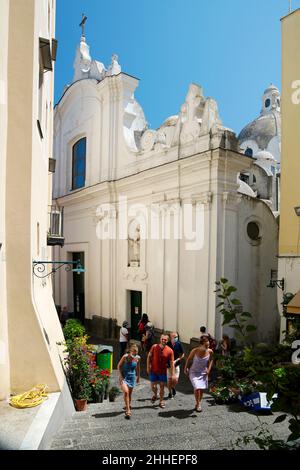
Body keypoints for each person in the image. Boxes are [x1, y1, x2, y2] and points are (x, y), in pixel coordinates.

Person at [184, 336, 214, 412]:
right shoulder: (195, 350)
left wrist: (209, 369)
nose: (208, 346)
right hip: (193, 372)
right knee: (197, 387)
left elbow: (211, 360)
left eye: (208, 345)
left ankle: (198, 403)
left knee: (201, 389)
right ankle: (198, 403)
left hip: (203, 372)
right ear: (201, 344)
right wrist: (185, 368)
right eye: (206, 345)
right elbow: (189, 359)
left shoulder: (210, 351)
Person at [147, 334, 175, 409]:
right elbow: (149, 357)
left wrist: (173, 374)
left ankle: (161, 401)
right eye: (162, 339)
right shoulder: (154, 347)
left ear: (167, 340)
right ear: (160, 339)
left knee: (162, 386)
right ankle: (155, 395)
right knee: (153, 386)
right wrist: (148, 367)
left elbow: (172, 363)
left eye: (165, 339)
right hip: (153, 370)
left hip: (162, 371)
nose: (163, 341)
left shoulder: (170, 351)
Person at [117, 343, 140, 419]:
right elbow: (119, 366)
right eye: (133, 351)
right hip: (124, 377)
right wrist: (120, 375)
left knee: (129, 394)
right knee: (126, 392)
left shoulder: (137, 358)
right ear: (130, 351)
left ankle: (127, 405)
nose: (135, 353)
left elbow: (138, 368)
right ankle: (128, 410)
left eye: (136, 351)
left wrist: (138, 376)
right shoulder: (125, 357)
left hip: (132, 377)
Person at [167, 332, 185, 399]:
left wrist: (176, 360)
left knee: (175, 380)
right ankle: (170, 393)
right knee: (169, 380)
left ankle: (173, 387)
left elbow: (182, 354)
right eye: (174, 337)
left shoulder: (179, 344)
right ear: (170, 337)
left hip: (176, 364)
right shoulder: (167, 344)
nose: (175, 338)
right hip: (169, 365)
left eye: (176, 337)